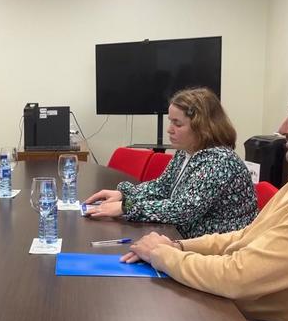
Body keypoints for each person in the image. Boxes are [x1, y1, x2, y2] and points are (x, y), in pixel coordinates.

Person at [122, 71, 288, 321]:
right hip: (228, 311)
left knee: (128, 320)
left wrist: (162, 255)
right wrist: (178, 247)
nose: (282, 128)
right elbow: (248, 236)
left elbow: (236, 277)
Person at [84, 87, 257, 238]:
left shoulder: (220, 161)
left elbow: (183, 210)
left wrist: (126, 207)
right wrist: (125, 194)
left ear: (203, 128)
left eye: (178, 124)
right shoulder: (185, 151)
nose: (169, 129)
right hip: (188, 236)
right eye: (170, 121)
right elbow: (162, 187)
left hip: (216, 249)